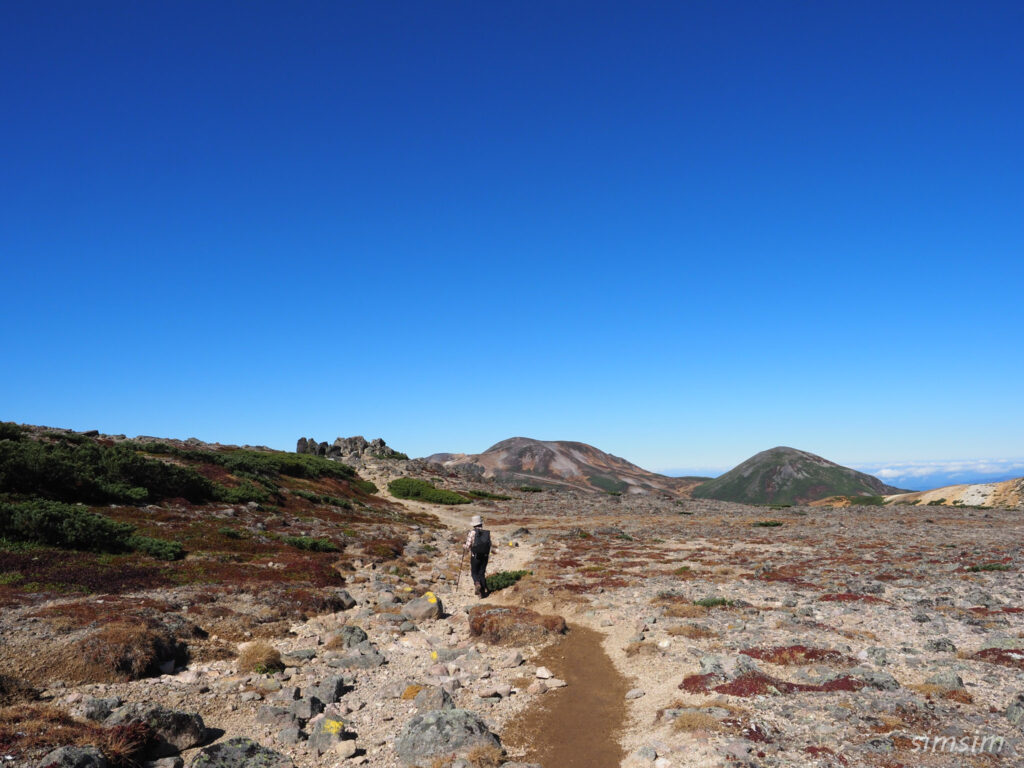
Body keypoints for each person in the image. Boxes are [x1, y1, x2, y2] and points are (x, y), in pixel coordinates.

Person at [464, 514, 492, 598]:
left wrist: (464, 546)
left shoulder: (472, 532)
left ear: (474, 524)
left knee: (474, 573)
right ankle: (483, 593)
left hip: (475, 556)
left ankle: (477, 583)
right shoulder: (486, 533)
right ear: (481, 524)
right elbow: (490, 544)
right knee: (482, 573)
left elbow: (468, 546)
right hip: (485, 556)